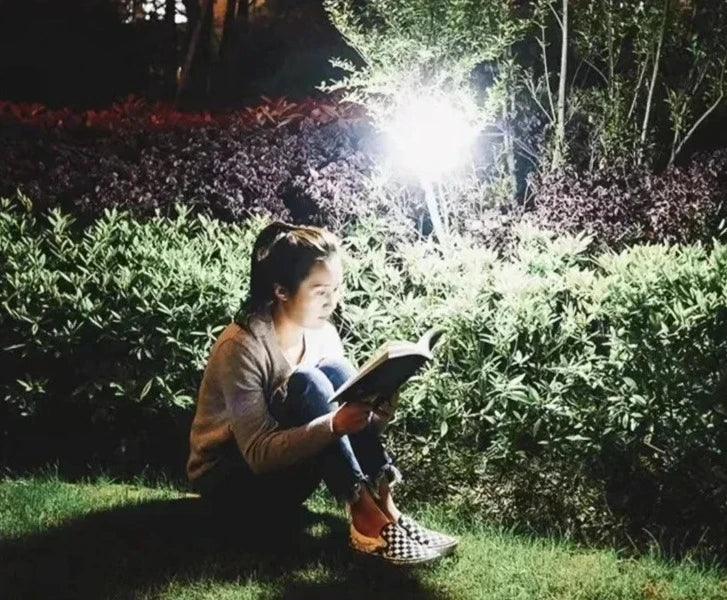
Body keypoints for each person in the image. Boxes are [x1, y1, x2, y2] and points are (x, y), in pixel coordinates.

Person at [186, 221, 457, 565]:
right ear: (282, 290)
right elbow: (257, 453)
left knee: (339, 373)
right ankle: (365, 518)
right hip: (231, 485)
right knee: (308, 382)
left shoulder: (323, 334)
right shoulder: (242, 347)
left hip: (291, 475)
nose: (332, 302)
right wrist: (335, 425)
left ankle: (387, 508)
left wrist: (377, 411)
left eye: (336, 289)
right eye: (320, 291)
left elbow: (348, 429)